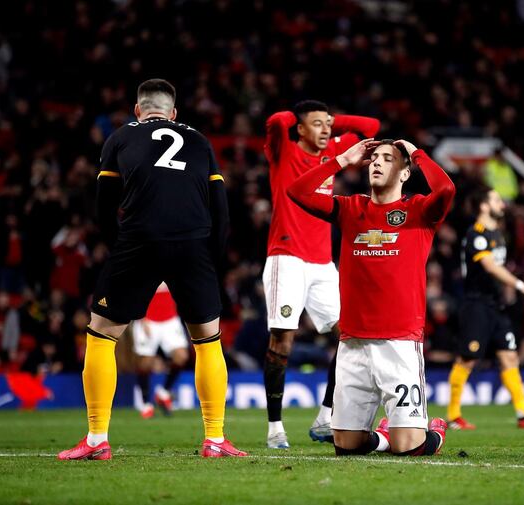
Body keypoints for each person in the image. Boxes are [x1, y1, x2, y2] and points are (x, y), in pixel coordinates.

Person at [58, 79, 246, 459]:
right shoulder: (199, 140)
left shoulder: (120, 137)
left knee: (101, 334)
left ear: (138, 110)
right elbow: (221, 209)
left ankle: (96, 440)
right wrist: (214, 257)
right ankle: (214, 439)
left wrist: (118, 249)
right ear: (174, 113)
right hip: (193, 243)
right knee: (207, 340)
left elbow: (104, 203)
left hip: (140, 240)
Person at [287, 138, 455, 457]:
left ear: (406, 173)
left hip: (399, 342)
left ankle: (433, 431)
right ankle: (382, 435)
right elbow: (297, 192)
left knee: (409, 449)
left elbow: (446, 190)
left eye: (388, 159)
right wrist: (341, 160)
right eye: (374, 158)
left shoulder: (418, 210)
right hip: (352, 342)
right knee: (347, 449)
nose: (376, 163)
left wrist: (417, 153)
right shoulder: (351, 208)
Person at [263, 101, 379, 449]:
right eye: (317, 124)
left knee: (351, 337)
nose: (327, 129)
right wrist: (301, 116)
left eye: (329, 124)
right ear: (299, 129)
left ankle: (326, 416)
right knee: (282, 343)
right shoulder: (283, 149)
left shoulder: (331, 150)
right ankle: (275, 429)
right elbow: (276, 119)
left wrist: (328, 119)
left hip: (322, 264)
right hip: (286, 258)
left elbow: (370, 126)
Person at [446, 186, 524, 430]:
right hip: (476, 305)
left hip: (495, 306)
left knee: (509, 355)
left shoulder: (497, 234)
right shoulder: (477, 233)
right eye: (496, 200)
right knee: (468, 359)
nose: (502, 204)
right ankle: (453, 416)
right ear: (484, 205)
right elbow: (490, 267)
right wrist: (521, 285)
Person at [132, 283, 188, 418]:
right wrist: (141, 316)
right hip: (148, 318)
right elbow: (133, 288)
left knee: (181, 356)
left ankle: (164, 393)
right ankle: (146, 404)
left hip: (170, 318)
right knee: (145, 362)